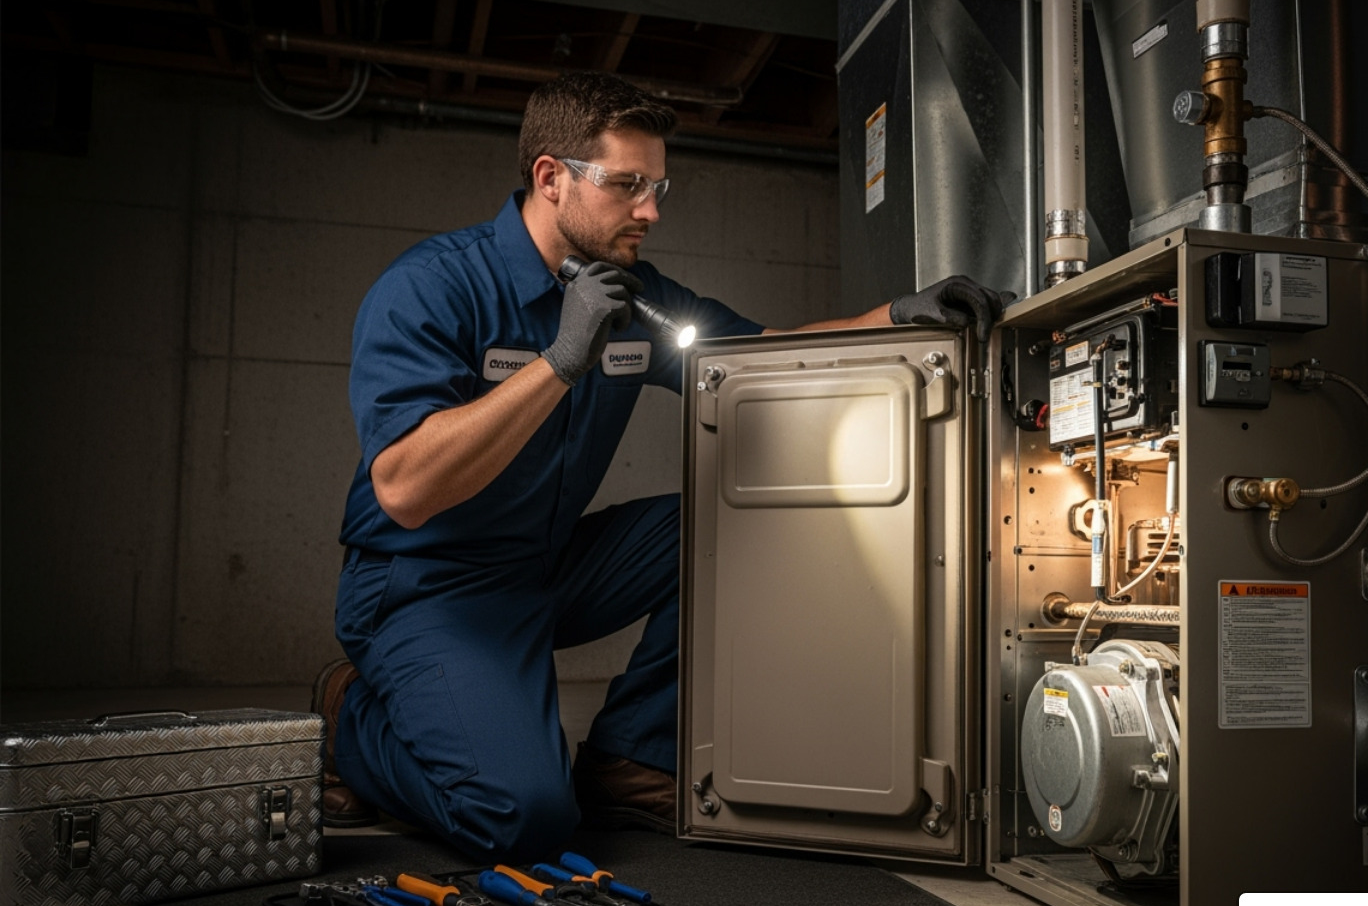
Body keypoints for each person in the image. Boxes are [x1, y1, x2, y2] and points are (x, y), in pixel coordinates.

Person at [317, 70, 1011, 860]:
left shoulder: (633, 298)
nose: (650, 209)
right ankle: (350, 720)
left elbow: (755, 354)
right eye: (627, 184)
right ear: (551, 178)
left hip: (546, 564)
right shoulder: (434, 288)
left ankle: (630, 755)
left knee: (745, 523)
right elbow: (404, 488)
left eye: (658, 185)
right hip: (425, 583)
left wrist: (894, 318)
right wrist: (561, 358)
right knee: (521, 820)